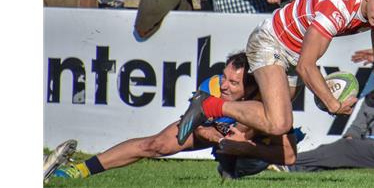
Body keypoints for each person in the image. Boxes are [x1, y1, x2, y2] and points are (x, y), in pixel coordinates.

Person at [177, 0, 374, 148]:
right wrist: (331, 103)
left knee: (271, 125)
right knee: (279, 123)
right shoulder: (338, 9)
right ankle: (208, 106)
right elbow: (306, 66)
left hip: (293, 51)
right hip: (272, 40)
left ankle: (232, 154)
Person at [44, 52, 297, 182]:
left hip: (250, 150)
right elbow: (194, 127)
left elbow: (290, 156)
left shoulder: (268, 104)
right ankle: (77, 171)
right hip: (217, 135)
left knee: (243, 162)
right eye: (224, 77)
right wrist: (216, 138)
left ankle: (233, 166)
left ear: (252, 87)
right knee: (154, 145)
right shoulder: (212, 87)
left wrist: (246, 148)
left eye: (234, 82)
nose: (225, 85)